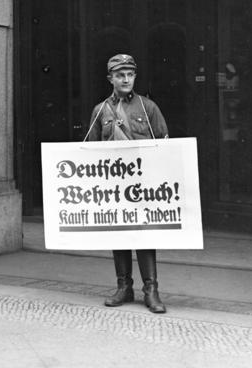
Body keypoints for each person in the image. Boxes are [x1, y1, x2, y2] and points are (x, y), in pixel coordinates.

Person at [85, 53, 169, 313]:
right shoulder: (100, 111)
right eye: (120, 75)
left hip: (143, 185)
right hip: (113, 185)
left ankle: (151, 290)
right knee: (118, 233)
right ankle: (124, 287)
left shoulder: (148, 107)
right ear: (110, 78)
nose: (126, 79)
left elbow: (164, 143)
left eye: (130, 74)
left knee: (144, 234)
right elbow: (91, 150)